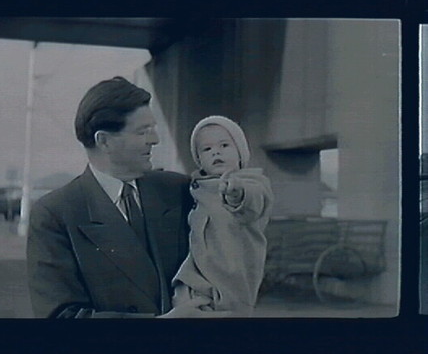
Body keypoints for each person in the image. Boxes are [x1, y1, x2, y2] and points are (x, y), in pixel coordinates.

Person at [27, 77, 228, 318]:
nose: (155, 140)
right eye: (143, 131)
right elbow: (60, 317)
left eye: (153, 129)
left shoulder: (180, 189)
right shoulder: (55, 214)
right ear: (104, 141)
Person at [171, 115, 274, 317]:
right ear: (199, 160)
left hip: (233, 273)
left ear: (240, 153)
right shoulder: (198, 188)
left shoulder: (252, 182)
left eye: (224, 145)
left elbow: (255, 203)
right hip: (199, 274)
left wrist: (237, 193)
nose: (216, 152)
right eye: (207, 149)